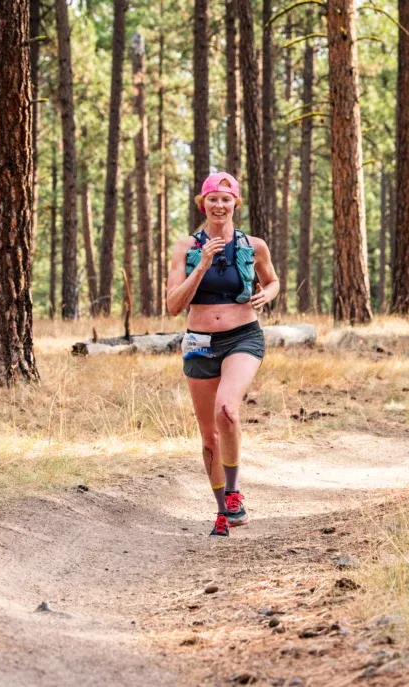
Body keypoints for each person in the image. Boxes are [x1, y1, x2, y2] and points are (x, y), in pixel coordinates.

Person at [166, 172, 280, 537]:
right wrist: (201, 264)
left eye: (226, 199)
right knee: (208, 436)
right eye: (212, 199)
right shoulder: (186, 246)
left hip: (243, 337)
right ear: (203, 204)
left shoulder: (254, 244)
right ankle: (221, 511)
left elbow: (273, 279)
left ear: (235, 204)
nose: (219, 205)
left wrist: (268, 294)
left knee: (226, 411)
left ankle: (233, 492)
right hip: (199, 342)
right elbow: (172, 305)